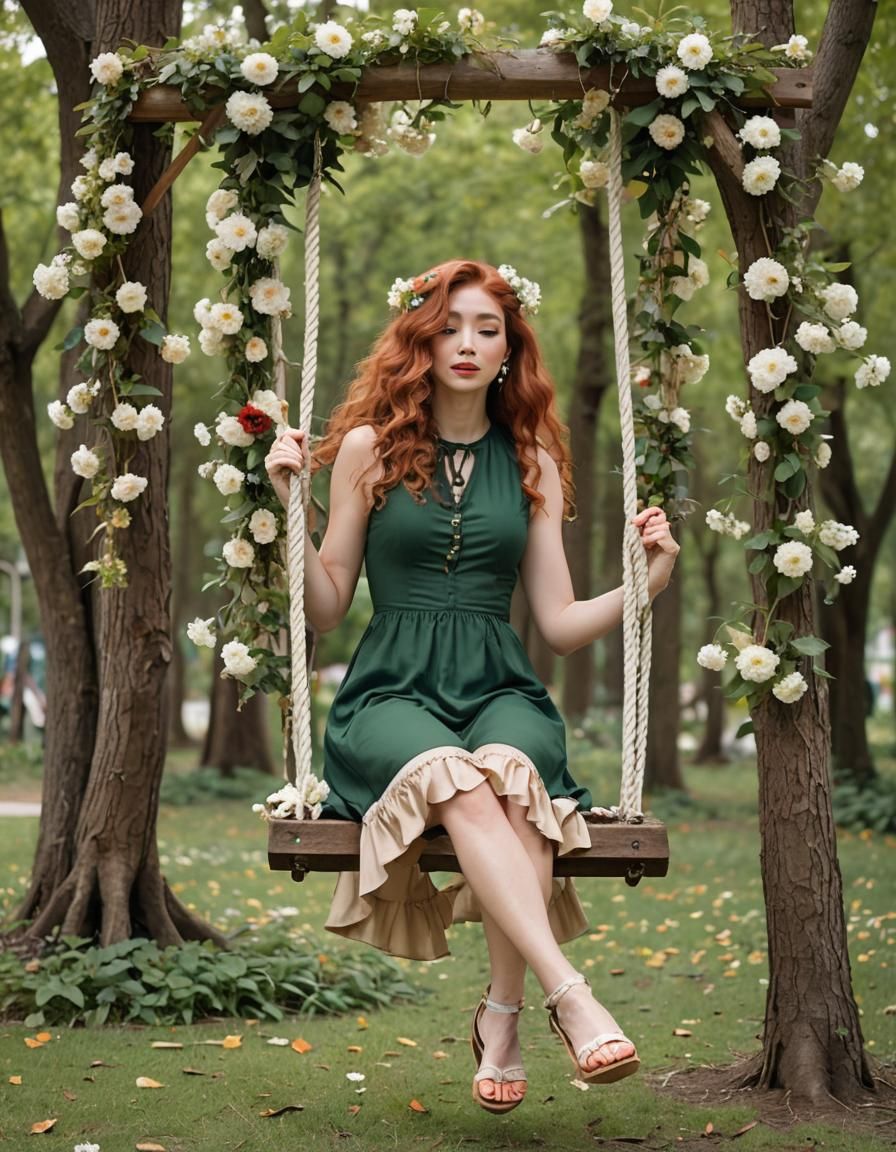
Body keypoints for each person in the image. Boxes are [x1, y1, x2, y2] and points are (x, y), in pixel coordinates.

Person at [264, 259, 679, 1114]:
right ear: (419, 339)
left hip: (501, 688)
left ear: (509, 349)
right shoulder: (365, 451)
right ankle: (567, 996)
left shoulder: (530, 458)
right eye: (449, 326)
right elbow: (329, 606)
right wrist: (286, 518)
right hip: (390, 694)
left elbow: (558, 623)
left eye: (486, 329)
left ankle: (501, 1015)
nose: (466, 343)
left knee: (512, 774)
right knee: (455, 774)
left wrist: (645, 586)